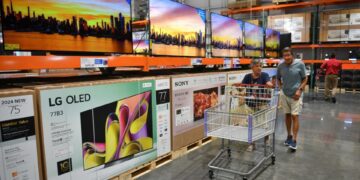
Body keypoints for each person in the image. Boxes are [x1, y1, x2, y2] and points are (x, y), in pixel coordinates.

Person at [277, 47, 308, 151]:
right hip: (285, 94)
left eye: (288, 55)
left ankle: (294, 140)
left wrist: (300, 90)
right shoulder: (280, 66)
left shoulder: (300, 64)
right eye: (285, 56)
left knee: (295, 116)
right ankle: (289, 136)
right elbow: (277, 78)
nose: (287, 57)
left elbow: (305, 78)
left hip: (296, 95)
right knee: (287, 115)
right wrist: (281, 89)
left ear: (292, 55)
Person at [241, 59, 273, 151]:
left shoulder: (264, 75)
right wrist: (239, 93)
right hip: (250, 105)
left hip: (261, 104)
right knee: (251, 125)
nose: (259, 68)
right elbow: (242, 87)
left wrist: (270, 84)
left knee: (263, 123)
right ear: (252, 67)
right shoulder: (247, 77)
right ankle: (251, 144)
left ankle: (266, 138)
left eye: (261, 66)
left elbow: (268, 82)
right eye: (257, 66)